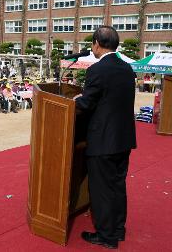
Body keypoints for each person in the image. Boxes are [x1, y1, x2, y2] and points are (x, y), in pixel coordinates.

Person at [74, 26, 136, 249]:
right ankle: (118, 230)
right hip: (123, 138)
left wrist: (75, 101)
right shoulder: (127, 69)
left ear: (97, 43)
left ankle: (106, 236)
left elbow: (87, 103)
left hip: (103, 141)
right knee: (118, 186)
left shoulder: (97, 70)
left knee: (102, 190)